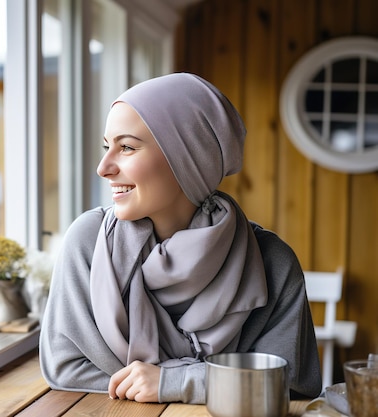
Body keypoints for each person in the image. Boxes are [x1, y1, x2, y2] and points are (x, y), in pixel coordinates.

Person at [38, 72, 322, 404]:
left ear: (187, 157)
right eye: (106, 146)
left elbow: (290, 380)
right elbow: (65, 367)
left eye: (126, 147)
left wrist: (174, 381)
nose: (104, 167)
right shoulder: (89, 241)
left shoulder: (272, 260)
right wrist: (221, 381)